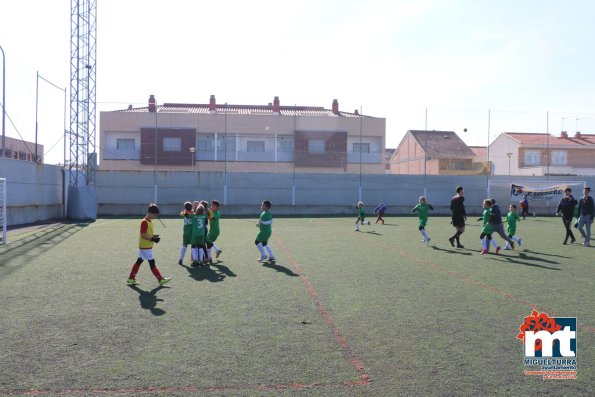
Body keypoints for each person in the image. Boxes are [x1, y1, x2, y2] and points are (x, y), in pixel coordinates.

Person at [127, 204, 171, 286]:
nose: (155, 217)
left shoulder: (149, 221)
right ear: (150, 212)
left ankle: (131, 278)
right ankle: (160, 279)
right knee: (152, 262)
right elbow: (143, 234)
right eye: (155, 215)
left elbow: (148, 233)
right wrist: (152, 239)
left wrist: (153, 236)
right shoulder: (144, 222)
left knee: (139, 261)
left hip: (146, 246)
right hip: (145, 246)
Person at [178, 201, 194, 265]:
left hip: (185, 232)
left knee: (184, 245)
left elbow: (181, 213)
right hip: (192, 232)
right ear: (191, 207)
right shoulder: (193, 213)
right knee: (193, 246)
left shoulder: (184, 213)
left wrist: (184, 212)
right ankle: (193, 259)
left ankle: (181, 259)